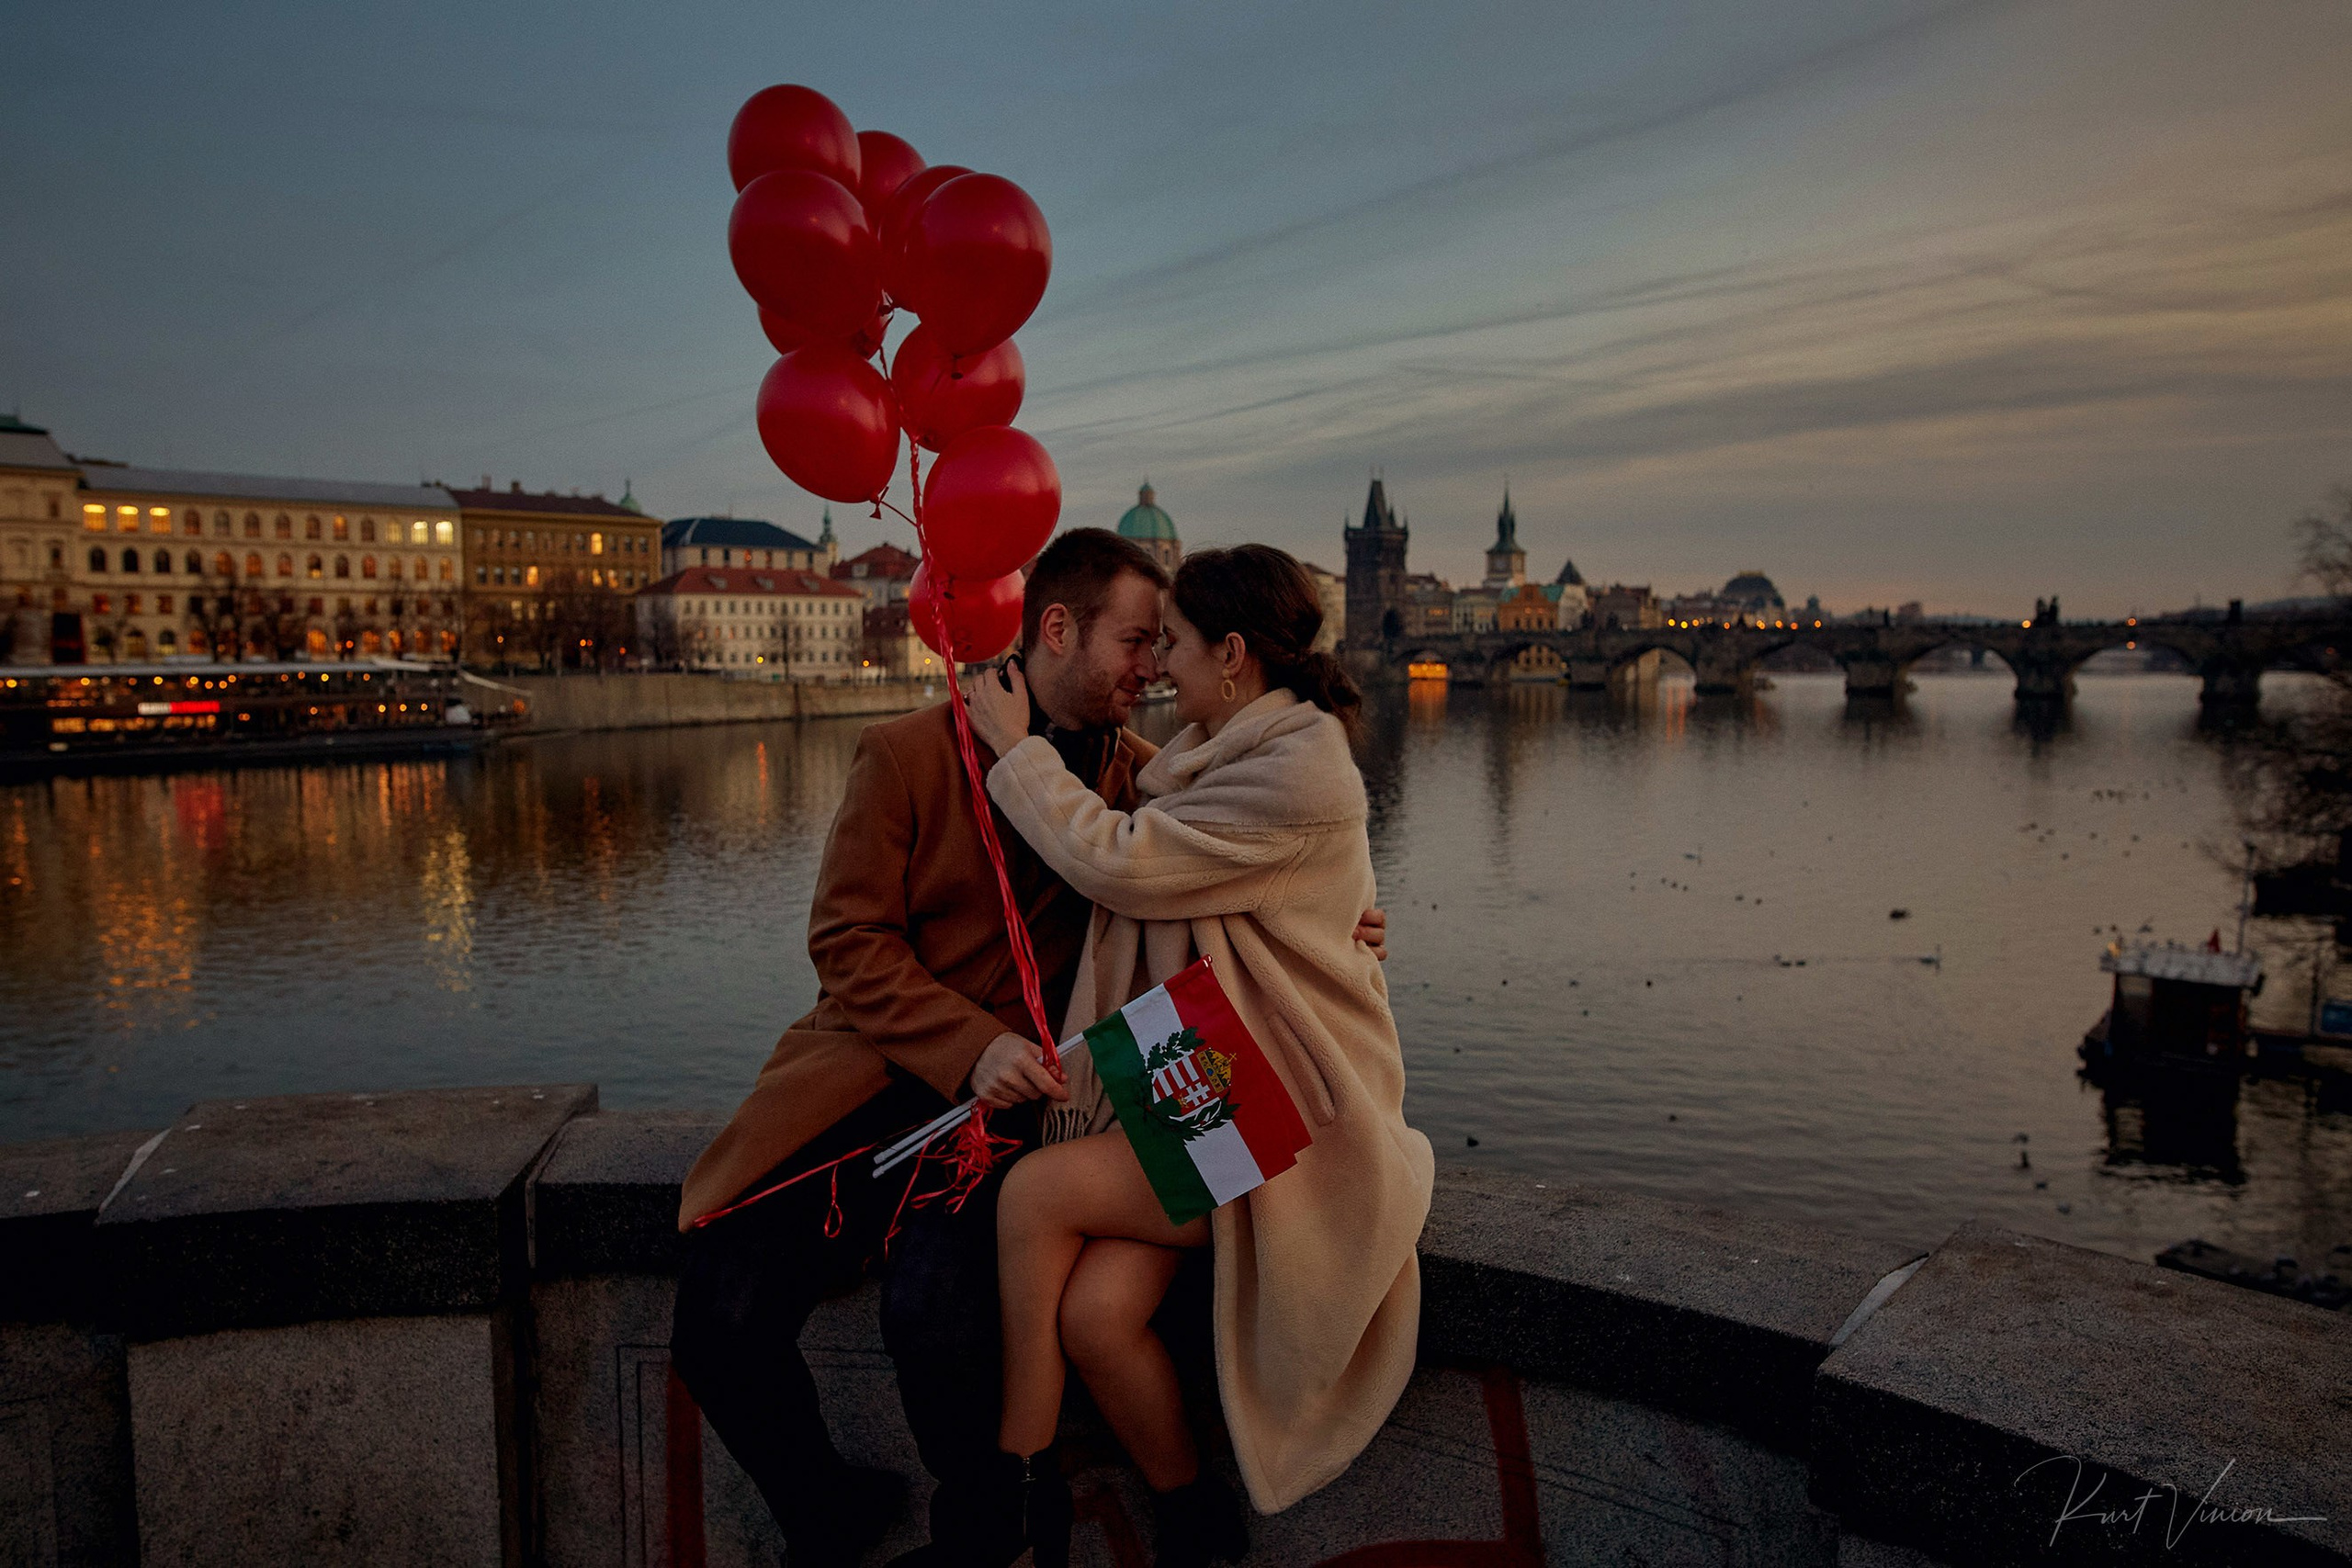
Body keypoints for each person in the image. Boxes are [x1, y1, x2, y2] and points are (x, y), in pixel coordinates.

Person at [669, 528, 1385, 1568]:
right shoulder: (907, 755)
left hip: (1036, 1111)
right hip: (879, 1085)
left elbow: (1254, 860)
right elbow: (845, 943)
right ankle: (826, 1514)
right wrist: (968, 1047)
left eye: (1163, 647)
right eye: (1137, 642)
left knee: (937, 1310)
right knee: (718, 1325)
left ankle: (995, 1528)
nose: (1149, 671)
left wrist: (1350, 918)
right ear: (1058, 629)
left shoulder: (1144, 779)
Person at [963, 544, 1434, 1567]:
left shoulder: (1296, 769)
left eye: (1169, 643)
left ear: (1230, 654)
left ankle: (1010, 1503)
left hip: (1290, 1129)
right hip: (1219, 1085)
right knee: (1094, 1317)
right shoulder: (1226, 751)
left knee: (1034, 1197)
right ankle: (1193, 1523)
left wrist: (1012, 749)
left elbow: (1120, 861)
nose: (1157, 666)